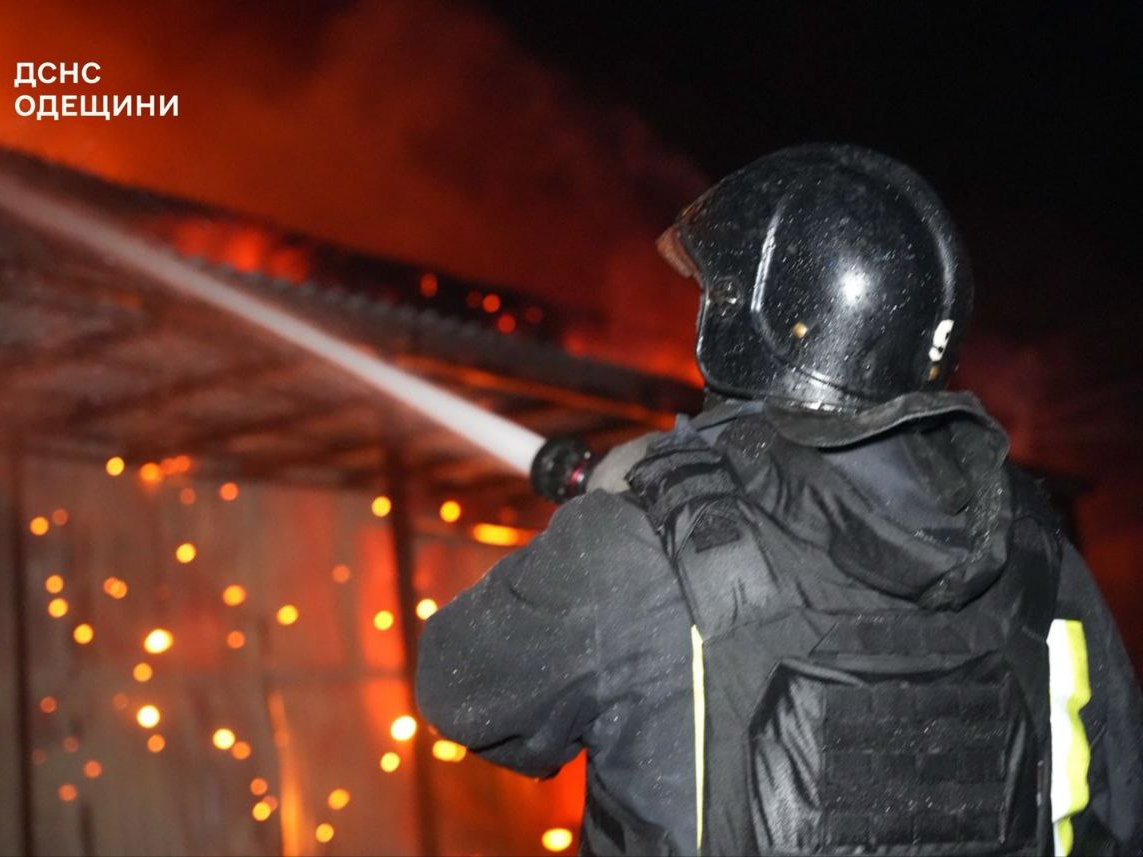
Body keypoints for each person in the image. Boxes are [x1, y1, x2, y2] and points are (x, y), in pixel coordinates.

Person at [415, 145, 1142, 856]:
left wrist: (604, 514)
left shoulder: (636, 542)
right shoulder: (1033, 545)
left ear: (755, 317)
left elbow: (458, 687)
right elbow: (1121, 803)